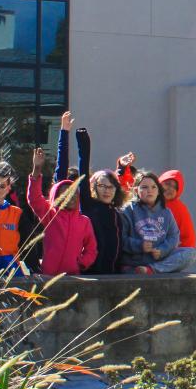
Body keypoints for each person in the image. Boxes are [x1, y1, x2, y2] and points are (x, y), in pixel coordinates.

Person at [53, 112, 126, 274]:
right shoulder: (87, 205)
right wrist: (79, 139)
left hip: (115, 276)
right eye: (102, 186)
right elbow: (81, 167)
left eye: (110, 187)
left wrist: (121, 168)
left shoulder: (117, 214)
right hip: (90, 274)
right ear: (94, 187)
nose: (107, 190)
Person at [28, 146, 97, 276]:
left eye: (73, 194)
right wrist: (36, 169)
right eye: (65, 194)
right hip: (48, 276)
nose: (70, 197)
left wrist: (82, 263)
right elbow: (34, 199)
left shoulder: (84, 221)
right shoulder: (50, 215)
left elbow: (91, 249)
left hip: (73, 276)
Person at [120, 170, 189, 274]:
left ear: (158, 191)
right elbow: (121, 239)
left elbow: (174, 237)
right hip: (134, 262)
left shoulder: (166, 212)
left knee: (190, 253)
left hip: (158, 259)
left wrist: (162, 250)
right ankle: (146, 269)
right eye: (144, 187)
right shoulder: (127, 211)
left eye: (153, 187)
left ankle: (151, 269)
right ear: (136, 190)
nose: (150, 190)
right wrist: (140, 246)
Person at [158, 170, 196, 273]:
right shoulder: (147, 199)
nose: (171, 189)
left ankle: (152, 269)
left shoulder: (180, 208)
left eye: (175, 187)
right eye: (167, 184)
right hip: (145, 249)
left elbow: (188, 241)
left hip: (168, 252)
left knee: (190, 254)